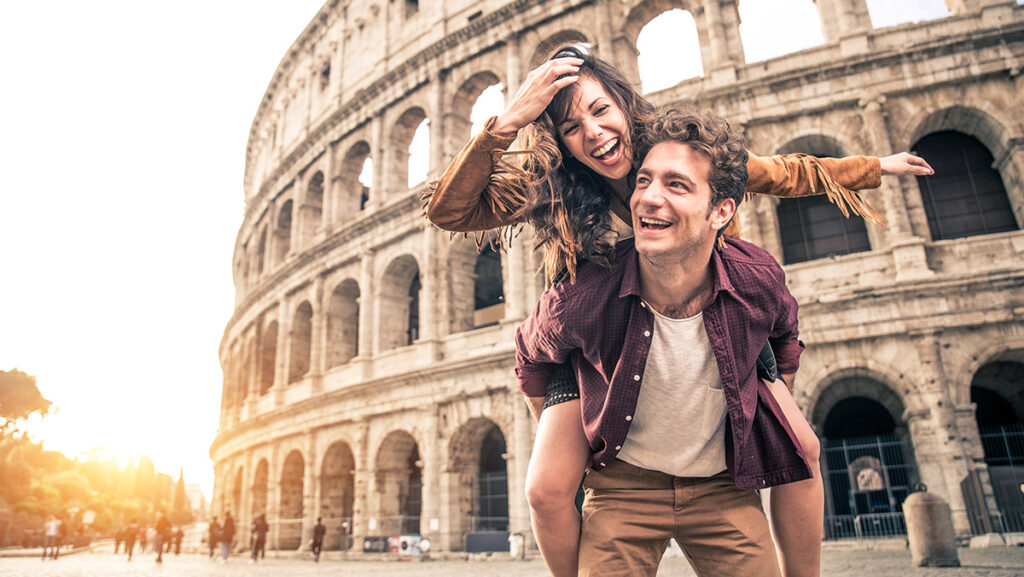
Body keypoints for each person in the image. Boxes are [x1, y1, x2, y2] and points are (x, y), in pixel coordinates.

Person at [426, 43, 934, 577]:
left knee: (804, 449)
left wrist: (874, 166)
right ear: (558, 141)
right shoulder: (555, 188)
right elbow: (450, 209)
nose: (594, 133)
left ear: (623, 103)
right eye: (572, 127)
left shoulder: (679, 151)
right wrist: (508, 121)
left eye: (600, 111)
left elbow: (781, 172)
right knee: (547, 485)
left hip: (718, 315)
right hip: (601, 338)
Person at [517, 108, 809, 576]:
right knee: (544, 489)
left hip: (722, 487)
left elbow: (786, 336)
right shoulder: (582, 294)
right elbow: (531, 357)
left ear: (722, 211)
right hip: (622, 485)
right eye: (644, 181)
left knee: (805, 448)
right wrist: (568, 423)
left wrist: (768, 398)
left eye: (676, 185)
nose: (649, 198)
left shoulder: (757, 278)